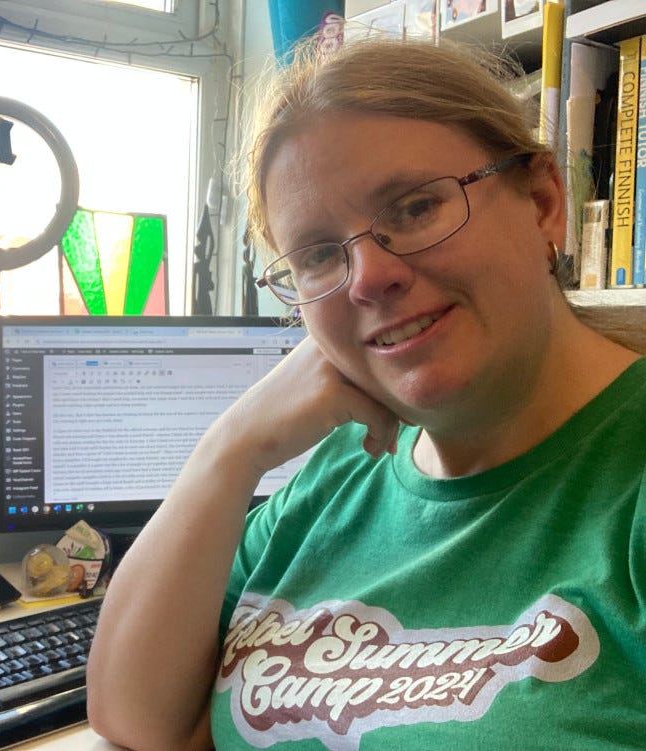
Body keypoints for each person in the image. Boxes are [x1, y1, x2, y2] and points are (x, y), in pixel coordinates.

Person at [85, 35, 646, 750]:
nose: (365, 278)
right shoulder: (339, 475)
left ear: (541, 202)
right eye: (319, 254)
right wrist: (231, 447)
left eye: (415, 208)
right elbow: (137, 718)